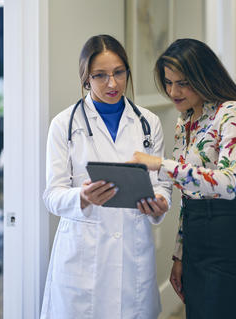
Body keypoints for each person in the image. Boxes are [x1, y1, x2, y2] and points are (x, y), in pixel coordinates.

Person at [129, 38, 236, 319]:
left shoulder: (233, 113)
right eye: (168, 82)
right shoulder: (186, 120)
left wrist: (160, 165)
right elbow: (189, 196)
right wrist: (179, 254)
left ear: (203, 77)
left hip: (229, 241)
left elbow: (231, 182)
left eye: (182, 83)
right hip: (195, 240)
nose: (173, 91)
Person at [40, 34, 172, 319]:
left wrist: (160, 202)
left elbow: (161, 184)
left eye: (119, 73)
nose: (112, 83)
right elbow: (51, 195)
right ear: (86, 78)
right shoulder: (64, 125)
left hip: (132, 252)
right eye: (100, 76)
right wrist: (82, 197)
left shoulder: (149, 123)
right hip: (83, 256)